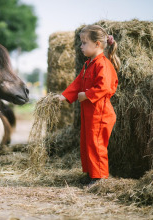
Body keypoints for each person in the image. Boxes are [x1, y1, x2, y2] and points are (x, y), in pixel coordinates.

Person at [58, 25, 120, 185]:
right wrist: (64, 97)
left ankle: (99, 178)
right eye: (81, 43)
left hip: (100, 113)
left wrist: (86, 95)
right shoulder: (88, 64)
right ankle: (91, 174)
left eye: (84, 43)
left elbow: (104, 87)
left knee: (96, 143)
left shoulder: (103, 64)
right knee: (87, 142)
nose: (81, 46)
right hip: (90, 112)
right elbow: (77, 83)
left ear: (97, 44)